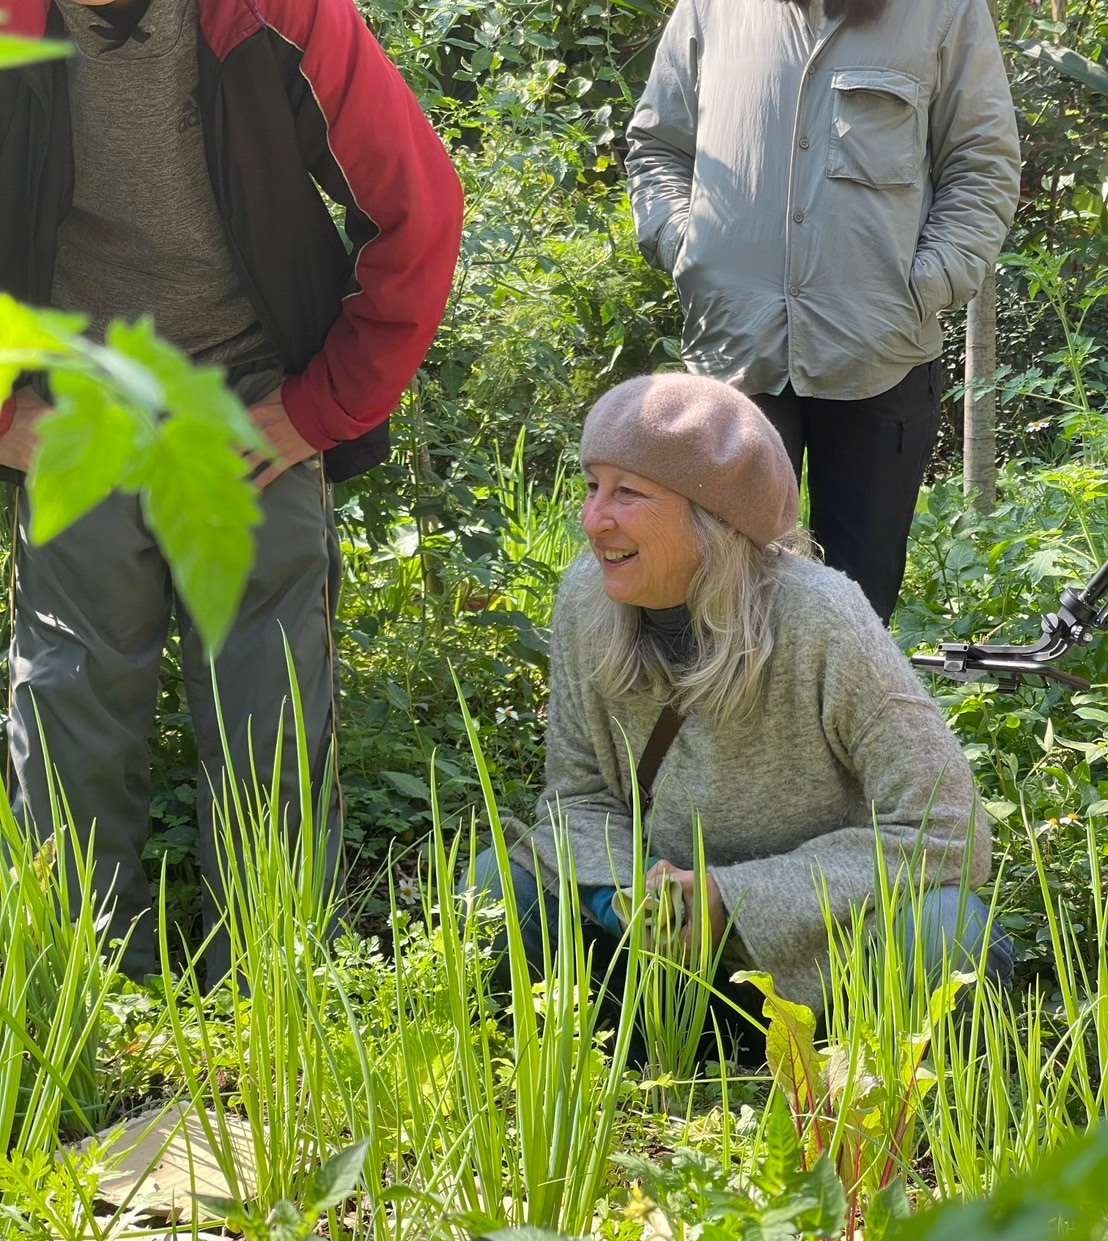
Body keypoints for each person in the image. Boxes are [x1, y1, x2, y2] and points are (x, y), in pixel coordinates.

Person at [0, 0, 463, 976]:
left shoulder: (280, 13)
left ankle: (272, 999)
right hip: (79, 396)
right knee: (69, 701)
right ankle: (83, 996)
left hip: (248, 393)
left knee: (272, 702)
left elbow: (418, 206)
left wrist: (318, 407)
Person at [476, 373, 1012, 1031]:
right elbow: (578, 799)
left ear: (714, 518)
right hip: (666, 957)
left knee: (943, 930)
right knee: (497, 889)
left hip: (825, 964)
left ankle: (880, 1098)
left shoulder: (823, 618)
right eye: (593, 487)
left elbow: (951, 831)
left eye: (628, 493)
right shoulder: (588, 599)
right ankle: (615, 1064)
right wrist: (641, 896)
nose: (593, 519)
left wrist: (731, 897)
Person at [623, 0, 1022, 623]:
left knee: (857, 609)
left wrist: (927, 283)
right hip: (735, 353)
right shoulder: (711, 9)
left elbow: (982, 164)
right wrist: (686, 247)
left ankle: (839, 721)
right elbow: (657, 148)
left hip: (881, 354)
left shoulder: (945, 12)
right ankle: (732, 723)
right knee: (723, 601)